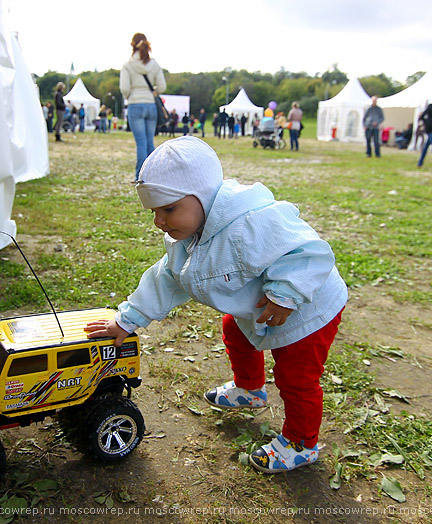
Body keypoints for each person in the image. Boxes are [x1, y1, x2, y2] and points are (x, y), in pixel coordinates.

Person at [84, 136, 348, 474]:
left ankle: (301, 442)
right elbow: (166, 278)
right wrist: (127, 319)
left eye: (169, 209)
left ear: (202, 197)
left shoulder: (251, 222)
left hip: (307, 308)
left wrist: (286, 294)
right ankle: (250, 389)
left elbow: (309, 251)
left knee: (296, 376)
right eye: (154, 212)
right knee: (233, 330)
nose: (159, 222)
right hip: (261, 308)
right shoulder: (190, 238)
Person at [119, 32, 166, 181]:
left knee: (141, 143)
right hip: (150, 104)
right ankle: (152, 175)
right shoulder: (154, 64)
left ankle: (140, 175)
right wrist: (153, 91)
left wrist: (129, 96)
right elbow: (163, 87)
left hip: (135, 103)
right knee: (149, 141)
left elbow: (124, 88)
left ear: (132, 45)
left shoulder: (127, 65)